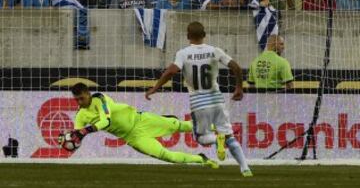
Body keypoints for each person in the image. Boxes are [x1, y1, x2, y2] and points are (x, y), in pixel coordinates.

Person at [146, 22, 253, 177]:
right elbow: (236, 67)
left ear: (188, 36)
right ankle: (245, 168)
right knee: (229, 135)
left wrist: (155, 88)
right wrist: (239, 88)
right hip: (217, 99)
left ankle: (217, 140)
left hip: (199, 102)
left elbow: (171, 71)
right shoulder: (215, 50)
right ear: (204, 35)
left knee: (202, 139)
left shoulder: (183, 53)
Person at [59, 83, 219, 168]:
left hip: (141, 120)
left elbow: (105, 121)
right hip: (133, 137)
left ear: (88, 94)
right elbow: (76, 135)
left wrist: (84, 131)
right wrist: (71, 140)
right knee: (166, 156)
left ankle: (216, 127)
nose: (80, 102)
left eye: (82, 98)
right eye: (77, 99)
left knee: (181, 125)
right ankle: (201, 159)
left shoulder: (100, 98)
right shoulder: (81, 115)